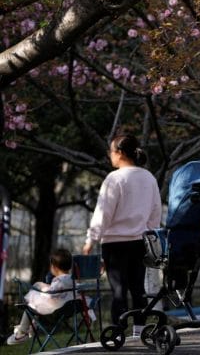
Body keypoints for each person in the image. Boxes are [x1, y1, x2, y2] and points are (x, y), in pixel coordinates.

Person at [83, 134, 162, 337]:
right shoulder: (149, 178)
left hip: (115, 244)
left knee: (119, 290)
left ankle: (118, 330)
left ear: (119, 153)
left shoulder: (114, 178)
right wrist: (149, 233)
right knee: (138, 289)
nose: (110, 155)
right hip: (140, 242)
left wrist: (91, 239)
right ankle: (140, 330)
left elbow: (103, 213)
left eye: (111, 151)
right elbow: (156, 211)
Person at [6, 249, 79, 345]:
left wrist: (42, 289)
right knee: (36, 297)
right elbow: (59, 291)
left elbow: (51, 294)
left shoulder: (58, 281)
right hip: (69, 308)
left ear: (54, 267)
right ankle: (29, 327)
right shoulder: (72, 279)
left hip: (56, 310)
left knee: (30, 304)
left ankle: (21, 333)